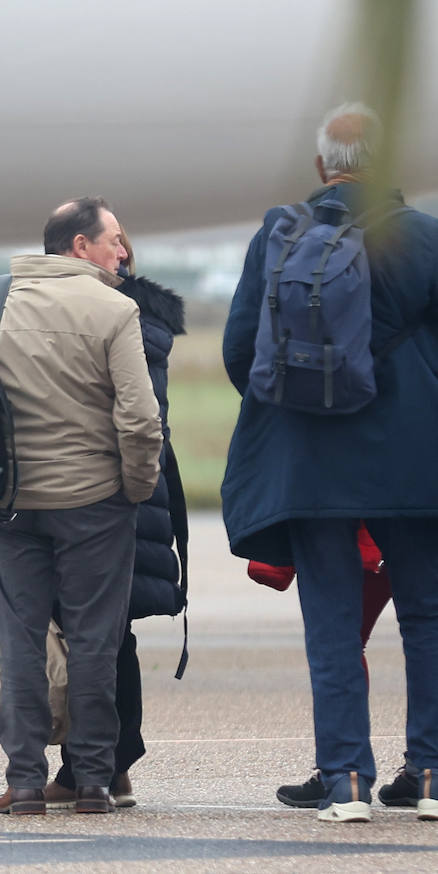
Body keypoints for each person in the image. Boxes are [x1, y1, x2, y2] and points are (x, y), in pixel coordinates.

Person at [221, 102, 438, 823]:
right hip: (413, 462)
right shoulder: (425, 239)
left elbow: (239, 353)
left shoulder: (282, 236)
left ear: (322, 167)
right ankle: (432, 773)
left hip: (311, 463)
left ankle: (345, 779)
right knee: (428, 617)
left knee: (333, 625)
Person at [0, 197, 162, 816]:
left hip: (10, 500)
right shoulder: (115, 308)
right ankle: (93, 780)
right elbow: (140, 418)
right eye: (114, 240)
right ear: (79, 247)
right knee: (95, 642)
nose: (121, 252)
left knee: (19, 640)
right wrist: (137, 485)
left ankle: (23, 783)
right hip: (93, 499)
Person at [43, 229, 187, 810]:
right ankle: (109, 762)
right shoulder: (140, 320)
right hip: (129, 489)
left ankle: (91, 766)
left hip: (112, 491)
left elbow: (132, 417)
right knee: (107, 631)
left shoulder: (129, 324)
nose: (119, 251)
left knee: (93, 632)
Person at [255, 525, 419, 809]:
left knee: (342, 643)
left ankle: (344, 773)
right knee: (425, 634)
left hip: (348, 526)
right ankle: (426, 771)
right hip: (416, 517)